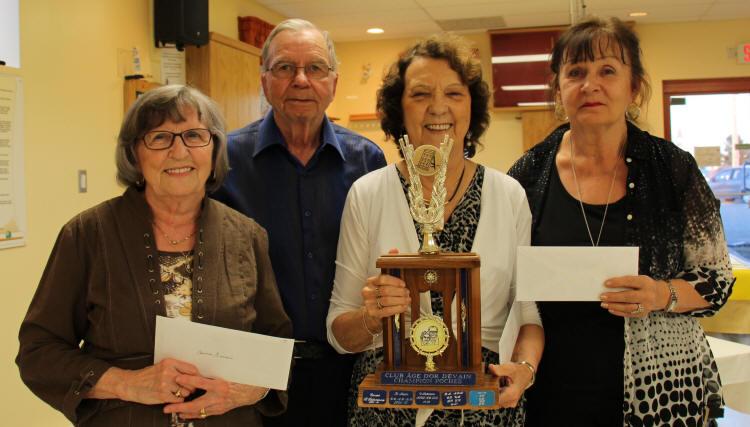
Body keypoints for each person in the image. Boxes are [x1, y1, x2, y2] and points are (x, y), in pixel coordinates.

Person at [16, 85, 292, 426]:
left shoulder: (248, 236)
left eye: (194, 135)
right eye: (160, 138)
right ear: (134, 153)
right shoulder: (88, 234)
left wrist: (247, 391)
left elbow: (276, 344)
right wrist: (128, 384)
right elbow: (38, 352)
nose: (179, 151)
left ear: (215, 148)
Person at [508, 17, 734, 426]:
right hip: (550, 386)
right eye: (575, 72)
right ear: (558, 89)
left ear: (634, 88)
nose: (590, 84)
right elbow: (507, 283)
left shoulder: (673, 170)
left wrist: (660, 293)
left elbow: (717, 281)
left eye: (607, 70)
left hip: (662, 388)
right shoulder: (527, 174)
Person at [326, 34, 544, 426]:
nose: (438, 107)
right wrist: (372, 317)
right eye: (421, 94)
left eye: (454, 93)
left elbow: (527, 311)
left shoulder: (508, 195)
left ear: (471, 106)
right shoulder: (368, 193)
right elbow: (339, 332)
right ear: (399, 109)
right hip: (387, 408)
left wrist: (524, 369)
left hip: (482, 405)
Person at [211, 19, 386, 427]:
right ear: (265, 80)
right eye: (285, 68)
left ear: (334, 82)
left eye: (316, 68)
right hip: (252, 375)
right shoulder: (224, 163)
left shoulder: (368, 162)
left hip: (349, 365)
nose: (301, 80)